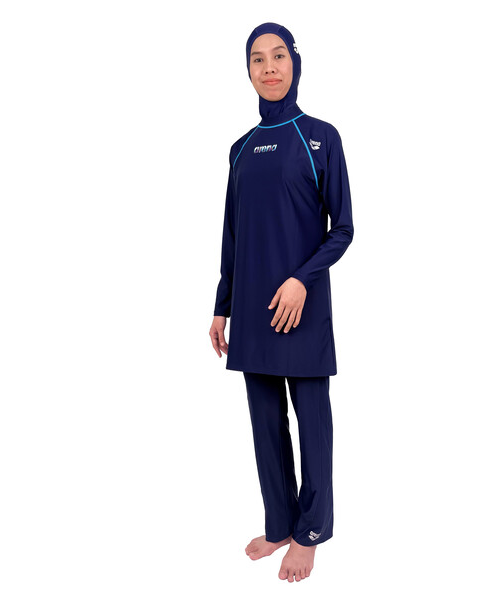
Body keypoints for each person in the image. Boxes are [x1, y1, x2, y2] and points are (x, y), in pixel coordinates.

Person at [209, 22, 354, 583]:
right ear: (247, 71)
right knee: (265, 425)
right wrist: (222, 305)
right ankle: (279, 524)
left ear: (295, 62)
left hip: (301, 307)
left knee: (312, 423)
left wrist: (301, 280)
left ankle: (311, 532)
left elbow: (342, 229)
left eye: (278, 56)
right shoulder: (240, 148)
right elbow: (233, 234)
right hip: (251, 310)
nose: (268, 68)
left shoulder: (320, 137)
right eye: (257, 59)